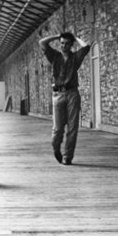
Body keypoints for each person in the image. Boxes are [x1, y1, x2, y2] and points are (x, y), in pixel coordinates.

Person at [39, 32, 91, 165]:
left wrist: (75, 37)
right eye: (62, 43)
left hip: (72, 94)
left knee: (73, 128)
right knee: (57, 129)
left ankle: (67, 156)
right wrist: (57, 36)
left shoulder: (75, 58)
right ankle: (56, 148)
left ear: (71, 45)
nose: (64, 46)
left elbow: (86, 47)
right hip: (58, 95)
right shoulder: (54, 56)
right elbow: (42, 42)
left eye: (67, 43)